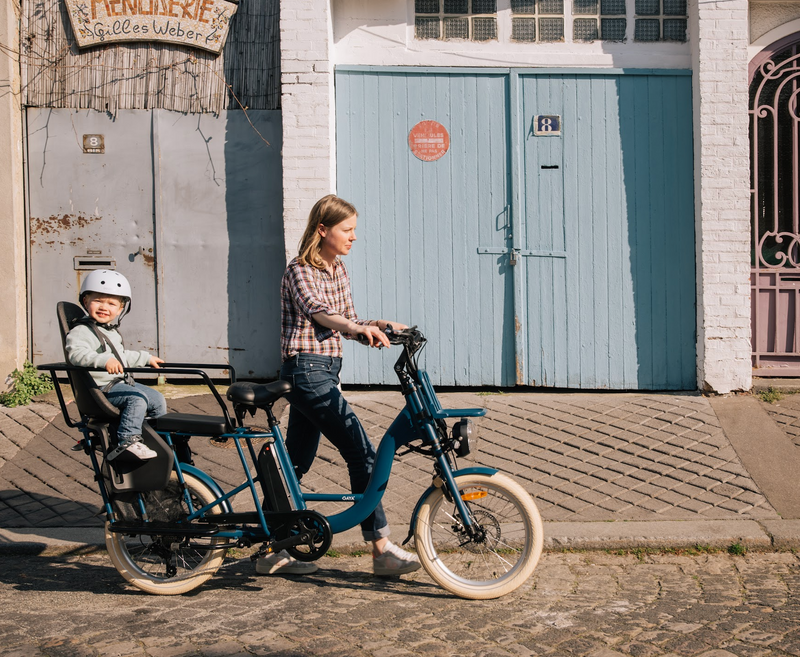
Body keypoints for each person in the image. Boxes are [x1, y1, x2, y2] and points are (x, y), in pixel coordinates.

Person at [257, 194, 421, 578]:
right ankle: (381, 549)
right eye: (347, 230)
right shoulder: (299, 270)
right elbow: (318, 311)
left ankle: (270, 547)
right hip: (305, 372)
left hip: (325, 372)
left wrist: (379, 326)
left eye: (354, 230)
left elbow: (347, 321)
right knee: (362, 453)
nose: (353, 237)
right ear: (322, 229)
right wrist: (354, 327)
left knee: (295, 463)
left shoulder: (339, 270)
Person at [65, 269, 166, 461]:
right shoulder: (81, 330)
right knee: (136, 399)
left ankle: (155, 438)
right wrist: (104, 360)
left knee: (157, 398)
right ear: (86, 301)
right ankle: (128, 441)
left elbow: (121, 356)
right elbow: (77, 354)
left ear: (120, 310)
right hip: (100, 389)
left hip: (118, 384)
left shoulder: (109, 331)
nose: (104, 307)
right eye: (98, 300)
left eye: (112, 304)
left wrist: (145, 358)